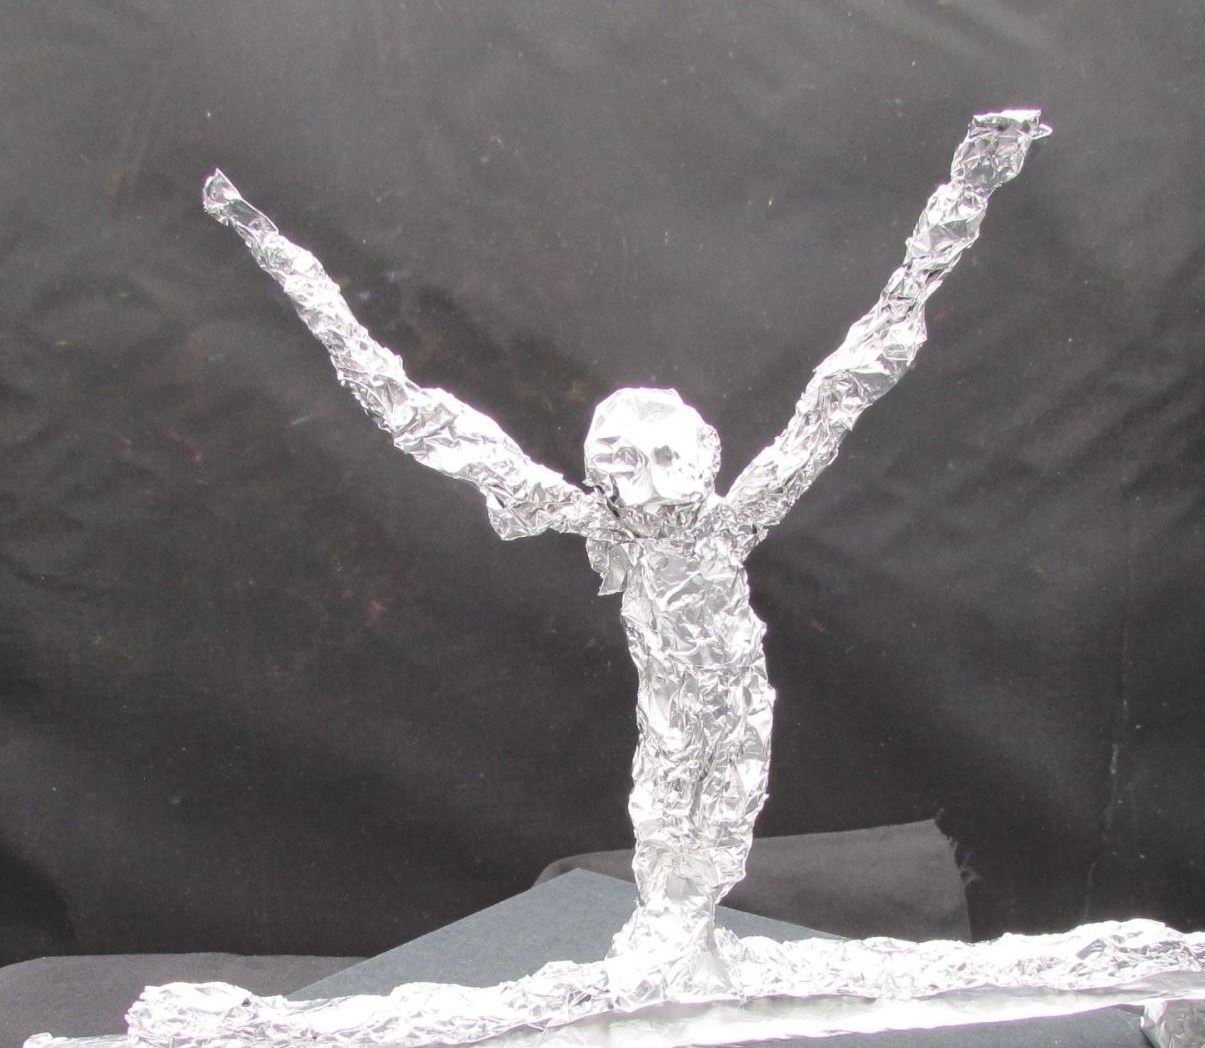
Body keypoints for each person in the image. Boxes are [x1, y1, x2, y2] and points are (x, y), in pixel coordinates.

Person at [203, 108, 1048, 994]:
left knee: (711, 841)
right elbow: (412, 411)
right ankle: (669, 952)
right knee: (673, 840)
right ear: (597, 476)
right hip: (672, 747)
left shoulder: (732, 519)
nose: (641, 487)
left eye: (662, 460)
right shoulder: (602, 526)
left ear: (704, 457)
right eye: (619, 465)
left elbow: (852, 376)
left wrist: (971, 184)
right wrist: (275, 252)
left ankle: (683, 951)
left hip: (734, 724)